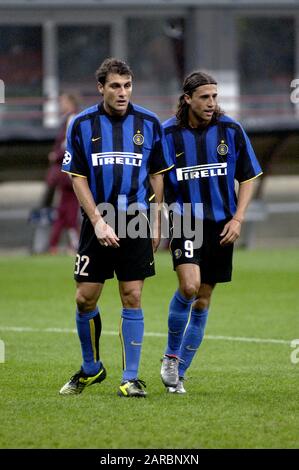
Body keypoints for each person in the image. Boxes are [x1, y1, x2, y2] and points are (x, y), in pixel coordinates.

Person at [59, 58, 173, 398]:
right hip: (97, 218)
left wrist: (156, 218)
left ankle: (131, 377)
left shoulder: (149, 122)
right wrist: (96, 221)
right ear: (101, 88)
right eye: (115, 86)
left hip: (136, 217)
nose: (122, 92)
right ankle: (92, 368)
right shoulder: (81, 124)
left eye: (127, 86)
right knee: (84, 298)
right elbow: (76, 177)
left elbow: (157, 173)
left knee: (132, 295)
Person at [160, 71, 263, 394]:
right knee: (189, 288)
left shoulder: (230, 129)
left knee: (203, 301)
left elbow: (249, 176)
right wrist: (155, 217)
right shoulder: (166, 134)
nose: (211, 103)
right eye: (205, 97)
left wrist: (238, 218)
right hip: (185, 220)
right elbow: (155, 179)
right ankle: (170, 357)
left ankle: (180, 374)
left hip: (221, 225)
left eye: (215, 96)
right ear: (187, 98)